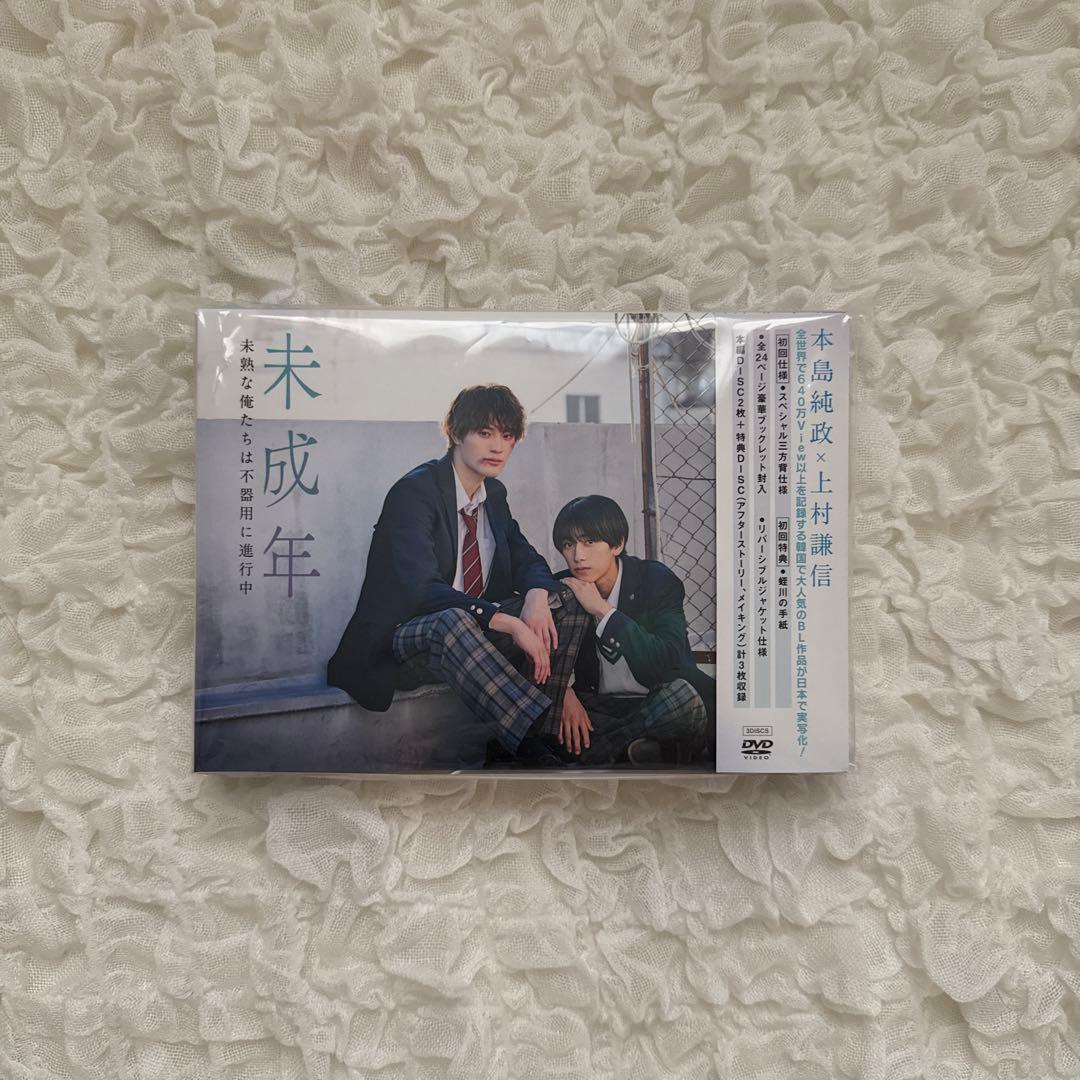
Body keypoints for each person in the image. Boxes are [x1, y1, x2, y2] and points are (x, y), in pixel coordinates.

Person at [327, 384, 589, 767]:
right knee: (454, 619)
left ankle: (523, 744)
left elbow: (526, 558)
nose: (497, 447)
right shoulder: (414, 492)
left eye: (507, 436)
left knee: (564, 599)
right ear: (456, 433)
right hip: (407, 640)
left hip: (472, 638)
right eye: (484, 433)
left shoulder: (493, 495)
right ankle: (531, 746)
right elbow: (421, 590)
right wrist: (508, 622)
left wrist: (535, 595)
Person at [552, 494, 715, 768]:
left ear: (617, 544)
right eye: (569, 544)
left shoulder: (656, 581)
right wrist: (564, 692)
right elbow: (538, 653)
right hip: (602, 707)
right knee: (546, 712)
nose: (578, 555)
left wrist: (604, 612)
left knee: (682, 699)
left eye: (589, 542)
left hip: (658, 699)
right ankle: (641, 749)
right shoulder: (564, 588)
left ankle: (597, 753)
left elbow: (665, 663)